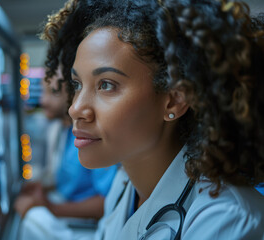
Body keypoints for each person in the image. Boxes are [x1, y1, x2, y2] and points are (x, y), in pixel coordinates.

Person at [68, 0, 264, 239]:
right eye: (77, 84)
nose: (76, 108)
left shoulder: (228, 217)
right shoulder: (124, 187)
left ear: (174, 101)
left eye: (106, 85)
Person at [14, 63, 117, 231]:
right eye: (42, 92)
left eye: (53, 92)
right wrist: (45, 187)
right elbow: (72, 181)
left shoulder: (92, 135)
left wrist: (51, 208)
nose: (42, 101)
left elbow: (108, 201)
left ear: (72, 91)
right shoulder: (65, 131)